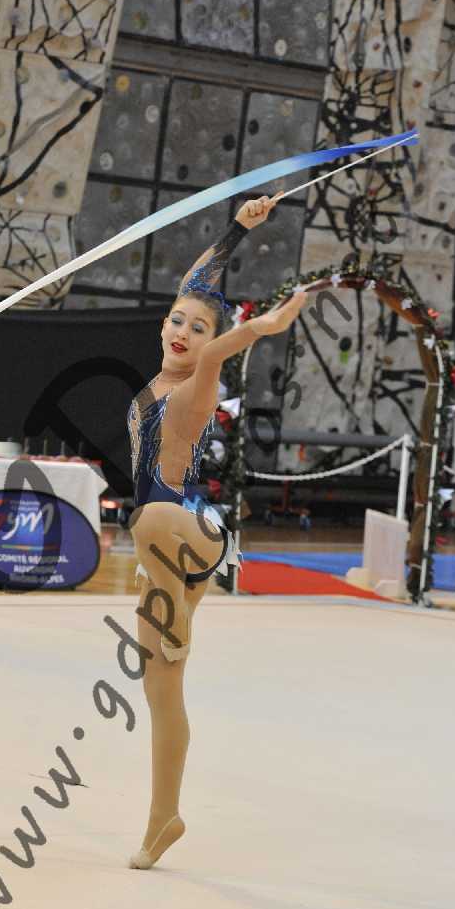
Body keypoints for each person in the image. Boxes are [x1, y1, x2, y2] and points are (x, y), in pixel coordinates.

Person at [126, 193, 309, 869]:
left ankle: (181, 613)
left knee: (147, 517)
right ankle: (162, 820)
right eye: (177, 321)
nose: (183, 332)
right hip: (157, 556)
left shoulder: (195, 386)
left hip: (192, 534)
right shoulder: (158, 377)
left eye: (197, 328)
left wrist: (266, 325)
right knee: (159, 686)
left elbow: (217, 353)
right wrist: (237, 228)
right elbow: (196, 281)